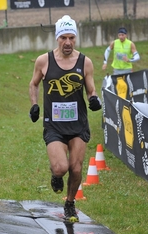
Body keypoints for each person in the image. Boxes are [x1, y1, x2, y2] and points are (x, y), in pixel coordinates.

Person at [29, 15, 102, 223]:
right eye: (63, 38)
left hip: (78, 124)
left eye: (71, 38)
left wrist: (94, 99)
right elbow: (33, 84)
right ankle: (56, 174)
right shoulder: (44, 61)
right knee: (61, 167)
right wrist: (34, 105)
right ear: (57, 38)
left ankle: (70, 203)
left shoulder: (85, 62)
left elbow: (91, 90)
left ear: (76, 38)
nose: (68, 43)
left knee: (76, 168)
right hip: (54, 125)